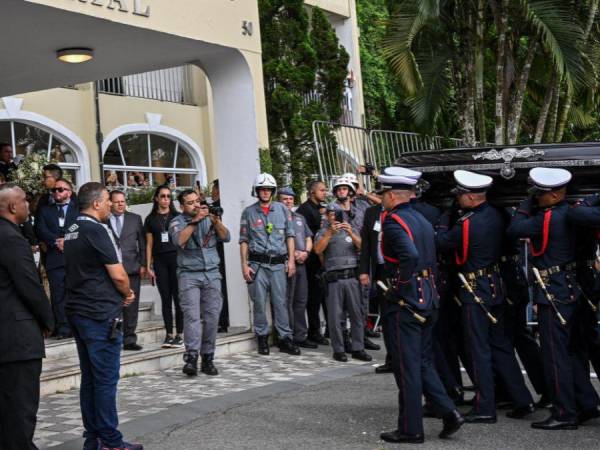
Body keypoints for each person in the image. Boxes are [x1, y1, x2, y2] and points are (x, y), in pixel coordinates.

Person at [436, 170, 534, 423]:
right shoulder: (497, 215)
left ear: (470, 197)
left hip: (475, 290)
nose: (457, 199)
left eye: (460, 195)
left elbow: (443, 243)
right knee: (501, 345)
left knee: (478, 348)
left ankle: (485, 407)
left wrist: (445, 219)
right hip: (495, 285)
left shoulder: (466, 223)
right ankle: (522, 400)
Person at [508, 168, 600, 429]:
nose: (537, 198)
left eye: (540, 193)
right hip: (572, 287)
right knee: (572, 352)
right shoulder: (574, 214)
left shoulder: (548, 219)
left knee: (555, 354)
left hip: (554, 291)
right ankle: (586, 403)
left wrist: (525, 205)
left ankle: (564, 412)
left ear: (557, 194)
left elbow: (514, 229)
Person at [376, 170, 463, 444]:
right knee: (423, 362)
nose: (381, 200)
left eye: (382, 195)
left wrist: (399, 287)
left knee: (407, 367)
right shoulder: (422, 219)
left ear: (391, 195)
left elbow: (410, 256)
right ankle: (448, 412)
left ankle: (411, 429)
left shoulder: (393, 221)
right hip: (429, 298)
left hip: (407, 302)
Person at [63, 182, 143, 450]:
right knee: (106, 381)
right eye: (108, 199)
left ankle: (94, 438)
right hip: (99, 314)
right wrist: (127, 293)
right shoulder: (96, 230)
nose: (111, 204)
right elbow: (118, 273)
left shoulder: (73, 228)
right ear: (96, 203)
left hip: (79, 310)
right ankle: (110, 440)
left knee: (91, 379)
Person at [0, 183, 54, 450]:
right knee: (20, 408)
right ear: (12, 206)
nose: (27, 205)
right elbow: (29, 286)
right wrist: (48, 320)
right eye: (23, 201)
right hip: (17, 338)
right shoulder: (11, 238)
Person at [169, 190, 230, 376]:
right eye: (190, 203)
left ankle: (208, 357)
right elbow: (178, 240)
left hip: (212, 274)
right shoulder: (177, 221)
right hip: (189, 275)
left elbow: (226, 237)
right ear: (182, 206)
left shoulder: (209, 217)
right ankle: (192, 357)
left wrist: (215, 220)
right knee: (192, 317)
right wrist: (195, 221)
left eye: (197, 201)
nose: (196, 205)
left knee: (212, 317)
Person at [239, 173, 300, 356]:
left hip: (278, 265)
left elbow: (290, 236)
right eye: (262, 189)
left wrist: (291, 261)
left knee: (280, 303)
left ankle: (285, 339)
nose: (265, 193)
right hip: (258, 265)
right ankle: (262, 338)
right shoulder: (248, 212)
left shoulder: (282, 209)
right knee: (258, 303)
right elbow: (244, 241)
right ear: (256, 191)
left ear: (272, 191)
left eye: (268, 189)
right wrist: (244, 264)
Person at [314, 204, 372, 362]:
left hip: (352, 277)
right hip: (334, 278)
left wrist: (351, 233)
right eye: (331, 214)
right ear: (327, 216)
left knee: (357, 315)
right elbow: (318, 250)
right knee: (335, 317)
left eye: (337, 214)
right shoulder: (322, 232)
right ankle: (338, 349)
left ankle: (358, 348)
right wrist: (328, 234)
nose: (335, 217)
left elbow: (363, 247)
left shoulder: (351, 229)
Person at [332, 176, 379, 352]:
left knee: (363, 299)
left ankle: (362, 334)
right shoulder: (332, 209)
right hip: (344, 259)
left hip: (362, 257)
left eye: (346, 189)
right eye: (339, 189)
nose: (342, 192)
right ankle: (345, 338)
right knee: (344, 303)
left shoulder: (362, 208)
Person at [35, 178, 79, 339]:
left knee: (75, 294)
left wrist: (67, 240)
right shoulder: (45, 210)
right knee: (58, 295)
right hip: (54, 259)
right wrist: (55, 241)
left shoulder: (78, 209)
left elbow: (80, 225)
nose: (56, 192)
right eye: (54, 190)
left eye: (61, 189)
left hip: (74, 259)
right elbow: (40, 228)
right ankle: (63, 328)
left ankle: (76, 326)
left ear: (69, 192)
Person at [145, 186, 184, 348]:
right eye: (162, 196)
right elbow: (149, 244)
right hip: (160, 262)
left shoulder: (177, 216)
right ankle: (169, 334)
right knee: (165, 298)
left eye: (168, 196)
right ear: (156, 198)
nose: (166, 199)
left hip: (176, 259)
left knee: (178, 297)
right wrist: (148, 266)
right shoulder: (150, 219)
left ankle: (180, 334)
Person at [108, 190, 146, 351]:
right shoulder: (103, 219)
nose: (120, 204)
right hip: (111, 269)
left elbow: (143, 244)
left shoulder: (135, 219)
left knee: (132, 305)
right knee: (114, 304)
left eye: (123, 201)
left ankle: (130, 339)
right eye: (117, 201)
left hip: (132, 267)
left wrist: (144, 264)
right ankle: (115, 336)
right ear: (110, 203)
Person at [279, 187, 317, 348]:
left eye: (290, 199)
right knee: (287, 301)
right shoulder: (276, 218)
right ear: (278, 201)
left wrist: (306, 252)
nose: (288, 202)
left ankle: (301, 336)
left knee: (301, 301)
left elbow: (309, 237)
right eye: (284, 199)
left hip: (302, 264)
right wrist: (292, 254)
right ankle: (288, 335)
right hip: (286, 265)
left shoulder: (299, 217)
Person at [296, 180, 330, 345]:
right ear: (312, 192)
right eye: (322, 190)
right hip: (311, 261)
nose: (325, 193)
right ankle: (313, 331)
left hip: (323, 259)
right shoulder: (305, 210)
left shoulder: (320, 209)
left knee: (322, 297)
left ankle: (325, 330)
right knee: (313, 298)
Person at [211, 179, 230, 333]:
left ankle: (223, 320)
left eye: (214, 188)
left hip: (219, 251)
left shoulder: (218, 208)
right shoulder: (213, 207)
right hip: (218, 252)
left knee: (221, 289)